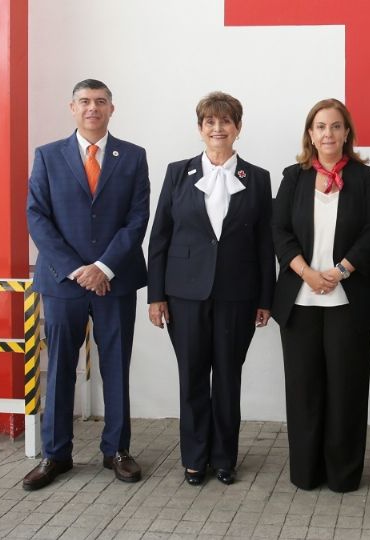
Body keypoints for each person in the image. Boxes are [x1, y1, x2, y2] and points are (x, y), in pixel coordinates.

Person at [24, 79, 149, 490]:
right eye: (84, 101)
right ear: (71, 107)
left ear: (112, 108)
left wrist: (104, 267)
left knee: (116, 365)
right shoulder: (47, 156)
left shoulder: (132, 156)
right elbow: (37, 217)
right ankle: (55, 454)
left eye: (100, 101)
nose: (92, 108)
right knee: (60, 367)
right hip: (63, 282)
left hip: (114, 281)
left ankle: (117, 450)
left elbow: (137, 218)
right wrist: (77, 269)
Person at [146, 91, 274, 486]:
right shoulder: (176, 172)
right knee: (193, 378)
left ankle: (224, 457)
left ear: (238, 127)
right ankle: (194, 457)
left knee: (228, 380)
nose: (218, 128)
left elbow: (265, 244)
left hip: (238, 295)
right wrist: (155, 296)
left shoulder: (257, 178)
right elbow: (160, 239)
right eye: (210, 122)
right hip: (184, 296)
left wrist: (265, 299)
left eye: (226, 121)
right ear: (200, 128)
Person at [271, 98, 370, 492]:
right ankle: (306, 473)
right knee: (304, 393)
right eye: (320, 126)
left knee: (346, 393)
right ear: (310, 133)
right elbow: (279, 231)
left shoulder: (367, 179)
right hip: (300, 301)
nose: (328, 134)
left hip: (348, 302)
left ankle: (343, 475)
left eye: (336, 126)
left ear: (347, 133)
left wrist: (339, 272)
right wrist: (306, 272)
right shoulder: (293, 176)